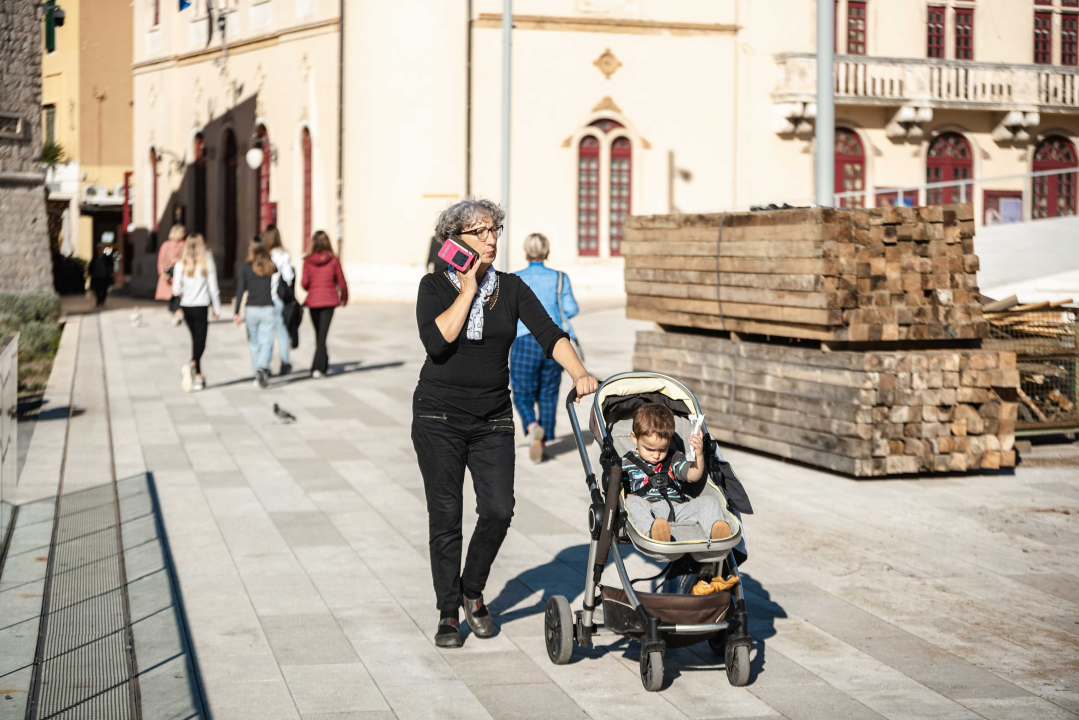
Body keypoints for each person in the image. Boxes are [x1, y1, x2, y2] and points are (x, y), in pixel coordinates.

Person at [412, 198, 598, 648]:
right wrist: (468, 289)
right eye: (480, 231)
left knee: (498, 510)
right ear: (454, 240)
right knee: (447, 517)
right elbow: (438, 341)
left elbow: (550, 333)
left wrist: (579, 373)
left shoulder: (512, 288)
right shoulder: (433, 285)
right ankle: (447, 614)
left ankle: (471, 590)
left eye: (494, 229)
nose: (492, 238)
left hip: (493, 417)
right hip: (438, 416)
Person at [509, 233, 579, 464]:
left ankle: (532, 426)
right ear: (547, 252)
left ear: (526, 252)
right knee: (549, 393)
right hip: (553, 342)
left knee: (521, 391)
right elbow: (571, 308)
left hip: (523, 340)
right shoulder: (560, 278)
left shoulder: (515, 278)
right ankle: (545, 439)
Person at [622, 403, 732, 543]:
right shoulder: (626, 462)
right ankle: (652, 533)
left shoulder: (674, 458)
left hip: (677, 507)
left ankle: (716, 531)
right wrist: (630, 496)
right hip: (650, 511)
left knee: (709, 501)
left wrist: (698, 456)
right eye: (650, 449)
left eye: (662, 449)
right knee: (632, 502)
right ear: (634, 438)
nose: (656, 455)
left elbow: (692, 475)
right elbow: (619, 490)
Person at [171, 233, 220, 392]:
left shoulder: (180, 265)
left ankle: (198, 376)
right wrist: (217, 309)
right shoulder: (207, 263)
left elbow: (176, 289)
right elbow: (214, 289)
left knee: (195, 340)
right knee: (201, 342)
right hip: (201, 306)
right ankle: (192, 364)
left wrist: (185, 290)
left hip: (187, 306)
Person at [301, 230, 348, 378]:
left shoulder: (308, 260)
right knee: (322, 336)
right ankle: (321, 365)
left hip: (314, 301)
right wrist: (344, 296)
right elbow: (341, 281)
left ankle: (318, 366)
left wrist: (313, 287)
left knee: (319, 335)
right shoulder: (333, 260)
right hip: (329, 301)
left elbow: (304, 283)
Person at [234, 241, 277, 388]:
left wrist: (236, 312)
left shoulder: (245, 268)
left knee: (253, 344)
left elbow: (240, 290)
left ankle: (256, 373)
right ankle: (262, 367)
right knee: (267, 342)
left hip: (251, 309)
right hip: (267, 308)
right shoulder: (270, 266)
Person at [262, 225, 296, 376]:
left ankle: (264, 365)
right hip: (277, 298)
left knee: (266, 335)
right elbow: (289, 277)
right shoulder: (282, 255)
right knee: (282, 332)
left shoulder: (260, 254)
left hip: (262, 298)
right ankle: (284, 363)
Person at [156, 225, 187, 325]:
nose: (184, 234)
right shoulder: (166, 245)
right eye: (182, 232)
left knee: (178, 295)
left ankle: (178, 313)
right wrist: (162, 273)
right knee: (171, 297)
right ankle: (175, 313)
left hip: (180, 274)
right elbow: (161, 260)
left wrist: (177, 260)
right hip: (169, 275)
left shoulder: (184, 244)